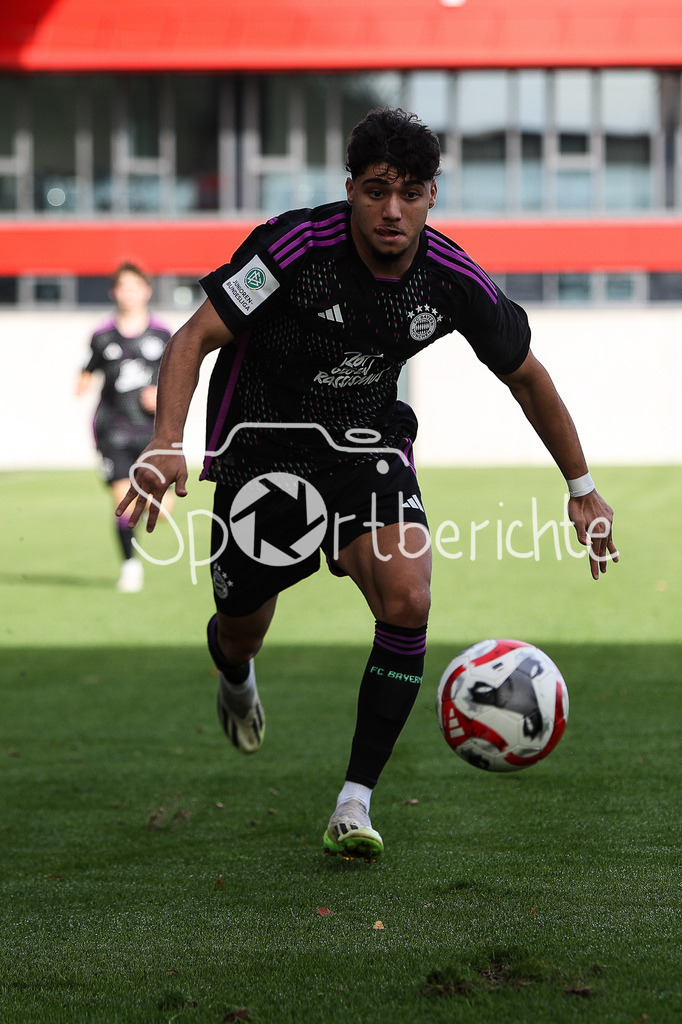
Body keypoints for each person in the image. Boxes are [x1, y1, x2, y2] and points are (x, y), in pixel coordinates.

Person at [117, 108, 617, 858]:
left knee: (409, 595)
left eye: (411, 192)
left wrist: (581, 488)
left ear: (432, 196)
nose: (393, 209)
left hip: (364, 444)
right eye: (378, 189)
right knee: (243, 625)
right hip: (264, 446)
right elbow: (194, 337)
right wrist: (165, 442)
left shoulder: (450, 279)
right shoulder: (295, 247)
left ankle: (355, 802)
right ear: (350, 188)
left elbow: (528, 378)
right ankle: (234, 670)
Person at [76, 262, 172, 593]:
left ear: (146, 291)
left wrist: (161, 395)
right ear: (114, 293)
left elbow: (178, 380)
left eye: (135, 287)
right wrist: (81, 383)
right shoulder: (102, 337)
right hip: (112, 431)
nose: (128, 294)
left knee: (159, 512)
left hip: (153, 433)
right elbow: (86, 373)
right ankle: (130, 566)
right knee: (123, 502)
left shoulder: (163, 335)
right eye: (122, 287)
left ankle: (148, 505)